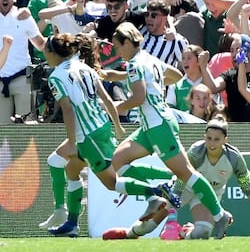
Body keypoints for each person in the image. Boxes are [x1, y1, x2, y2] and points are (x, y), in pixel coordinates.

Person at [44, 33, 178, 237]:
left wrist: (72, 143)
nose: (43, 54)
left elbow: (68, 109)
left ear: (53, 53)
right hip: (100, 126)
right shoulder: (84, 67)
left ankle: (157, 191)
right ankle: (69, 219)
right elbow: (105, 98)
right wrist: (116, 125)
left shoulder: (56, 77)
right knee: (69, 168)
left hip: (87, 135)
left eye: (45, 50)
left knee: (111, 181)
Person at [109, 21, 233, 240]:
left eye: (118, 47)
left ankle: (219, 214)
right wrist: (125, 78)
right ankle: (155, 193)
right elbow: (175, 75)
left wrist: (112, 108)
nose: (118, 52)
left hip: (158, 126)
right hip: (151, 126)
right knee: (117, 160)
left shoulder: (135, 65)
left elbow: (138, 98)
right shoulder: (147, 59)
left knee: (186, 173)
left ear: (127, 42)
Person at [103, 116, 250, 241]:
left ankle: (186, 233)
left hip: (209, 196)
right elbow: (181, 179)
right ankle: (129, 233)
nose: (212, 143)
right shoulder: (196, 152)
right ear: (204, 137)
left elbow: (248, 188)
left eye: (217, 139)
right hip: (182, 190)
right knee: (149, 226)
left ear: (225, 140)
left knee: (203, 232)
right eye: (209, 138)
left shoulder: (234, 158)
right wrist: (172, 218)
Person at [0, 0, 46, 125]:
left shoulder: (24, 17)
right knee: (2, 129)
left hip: (23, 77)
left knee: (28, 125)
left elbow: (40, 44)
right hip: (0, 80)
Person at [166, 44, 204, 111]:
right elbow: (170, 110)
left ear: (199, 61)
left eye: (189, 58)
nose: (185, 62)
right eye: (183, 58)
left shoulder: (208, 83)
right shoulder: (175, 85)